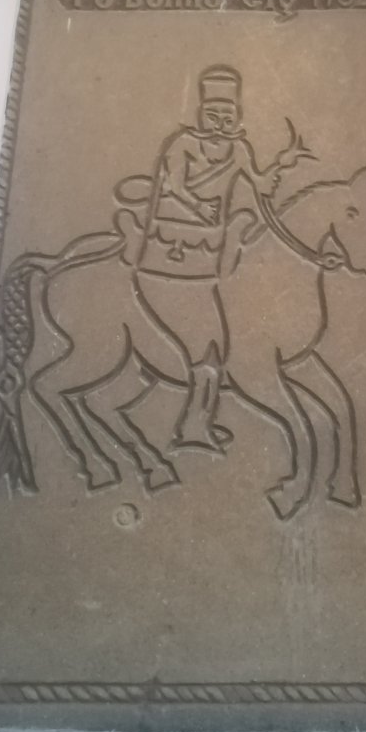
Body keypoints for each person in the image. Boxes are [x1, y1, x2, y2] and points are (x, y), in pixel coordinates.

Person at [123, 65, 302, 449]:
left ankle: (198, 422)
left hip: (211, 253)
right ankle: (194, 426)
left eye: (227, 116)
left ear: (237, 116)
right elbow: (172, 184)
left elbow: (260, 186)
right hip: (170, 248)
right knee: (208, 343)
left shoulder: (239, 150)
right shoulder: (183, 143)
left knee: (215, 344)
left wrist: (282, 164)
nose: (220, 123)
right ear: (200, 112)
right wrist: (197, 207)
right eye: (213, 114)